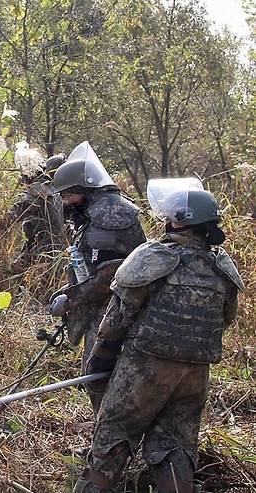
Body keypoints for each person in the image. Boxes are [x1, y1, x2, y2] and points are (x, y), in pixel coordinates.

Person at [74, 179, 243, 493]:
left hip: (145, 367)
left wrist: (100, 361)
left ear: (178, 220)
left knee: (113, 435)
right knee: (175, 446)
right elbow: (226, 319)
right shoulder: (222, 266)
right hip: (195, 372)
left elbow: (117, 318)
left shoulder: (154, 255)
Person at [48, 141, 145, 414]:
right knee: (99, 376)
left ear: (82, 190)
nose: (66, 202)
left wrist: (71, 297)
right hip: (109, 307)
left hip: (115, 310)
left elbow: (108, 278)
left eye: (68, 195)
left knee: (100, 377)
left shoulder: (108, 214)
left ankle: (107, 444)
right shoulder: (96, 211)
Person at [0, 147, 66, 267]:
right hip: (55, 251)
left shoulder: (38, 191)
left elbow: (12, 216)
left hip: (43, 255)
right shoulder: (54, 188)